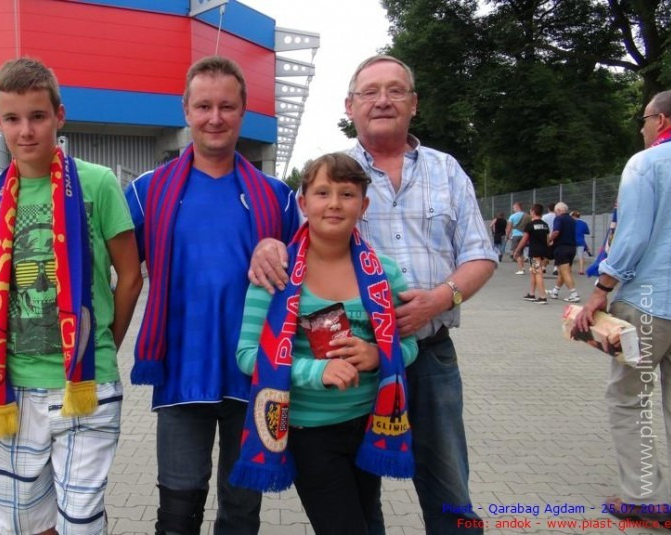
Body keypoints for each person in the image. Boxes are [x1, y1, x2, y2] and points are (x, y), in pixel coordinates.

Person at [249, 54, 497, 534]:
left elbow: (481, 255)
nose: (383, 100)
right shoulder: (334, 173)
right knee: (364, 495)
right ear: (350, 106)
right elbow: (290, 243)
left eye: (395, 90)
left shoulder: (447, 171)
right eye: (370, 92)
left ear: (414, 103)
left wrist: (441, 298)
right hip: (355, 369)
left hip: (428, 353)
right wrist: (266, 244)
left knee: (448, 483)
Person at [0, 57, 143, 535]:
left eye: (38, 116)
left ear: (59, 116)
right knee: (24, 523)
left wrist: (102, 345)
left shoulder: (98, 184)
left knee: (80, 521)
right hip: (9, 388)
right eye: (12, 118)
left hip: (85, 386)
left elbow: (130, 275)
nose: (26, 131)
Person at [124, 56, 300, 535]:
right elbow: (109, 268)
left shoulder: (277, 196)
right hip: (181, 372)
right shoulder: (147, 192)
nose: (215, 118)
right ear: (186, 110)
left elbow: (311, 272)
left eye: (227, 106)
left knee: (241, 512)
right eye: (204, 106)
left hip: (255, 375)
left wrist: (280, 248)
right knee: (177, 513)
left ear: (244, 111)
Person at [232, 153, 419, 535]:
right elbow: (248, 355)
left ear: (363, 206)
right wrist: (317, 372)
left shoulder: (384, 271)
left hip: (370, 426)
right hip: (310, 431)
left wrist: (377, 356)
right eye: (322, 193)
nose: (334, 203)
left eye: (347, 194)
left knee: (369, 520)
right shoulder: (276, 273)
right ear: (303, 203)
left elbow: (410, 344)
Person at [575, 89, 671, 535]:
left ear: (660, 120)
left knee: (629, 400)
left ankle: (645, 500)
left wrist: (601, 290)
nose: (641, 128)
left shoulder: (647, 163)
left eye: (643, 120)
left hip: (649, 304)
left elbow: (633, 234)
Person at [512, 204, 550, 304]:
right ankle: (532, 294)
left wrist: (517, 250)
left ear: (533, 211)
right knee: (533, 272)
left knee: (538, 273)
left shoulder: (530, 225)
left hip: (534, 252)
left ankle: (542, 297)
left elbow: (524, 239)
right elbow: (548, 240)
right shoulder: (545, 225)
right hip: (542, 251)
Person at [547, 202, 580, 302]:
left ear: (558, 210)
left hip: (562, 248)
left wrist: (549, 240)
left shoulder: (559, 218)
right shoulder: (572, 220)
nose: (555, 213)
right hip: (572, 248)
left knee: (565, 272)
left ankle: (574, 294)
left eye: (555, 211)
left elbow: (556, 231)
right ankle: (555, 291)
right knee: (562, 272)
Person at [505, 202, 528, 274]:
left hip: (516, 235)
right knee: (522, 252)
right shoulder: (527, 216)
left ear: (517, 207)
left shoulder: (512, 216)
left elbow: (509, 227)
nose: (513, 209)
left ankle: (521, 269)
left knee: (517, 252)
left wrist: (507, 236)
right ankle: (524, 267)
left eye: (513, 208)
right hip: (525, 235)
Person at [571, 210, 590, 274]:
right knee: (581, 256)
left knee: (571, 256)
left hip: (572, 241)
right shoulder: (584, 223)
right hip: (581, 241)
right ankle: (581, 270)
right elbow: (587, 232)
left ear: (573, 216)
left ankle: (569, 269)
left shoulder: (571, 222)